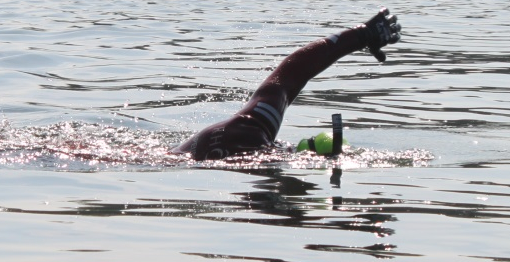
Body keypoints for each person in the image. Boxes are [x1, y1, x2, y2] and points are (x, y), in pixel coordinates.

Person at [0, 8, 401, 157]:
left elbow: (287, 73)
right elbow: (287, 76)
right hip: (142, 160)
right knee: (5, 147)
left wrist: (356, 35)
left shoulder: (256, 134)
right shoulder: (251, 141)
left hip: (145, 154)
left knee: (6, 145)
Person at [170, 8, 401, 161]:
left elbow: (294, 70)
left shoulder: (252, 127)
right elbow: (292, 73)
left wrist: (360, 34)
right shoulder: (256, 143)